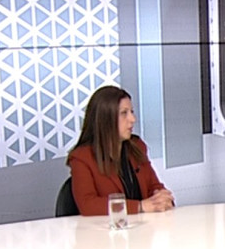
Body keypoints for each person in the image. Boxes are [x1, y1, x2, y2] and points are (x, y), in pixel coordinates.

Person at [67, 85, 175, 216]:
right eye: (124, 113)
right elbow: (87, 204)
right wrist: (139, 207)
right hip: (105, 228)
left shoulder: (137, 146)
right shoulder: (82, 158)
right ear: (105, 119)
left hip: (143, 226)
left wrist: (162, 198)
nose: (133, 119)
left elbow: (154, 187)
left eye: (132, 112)